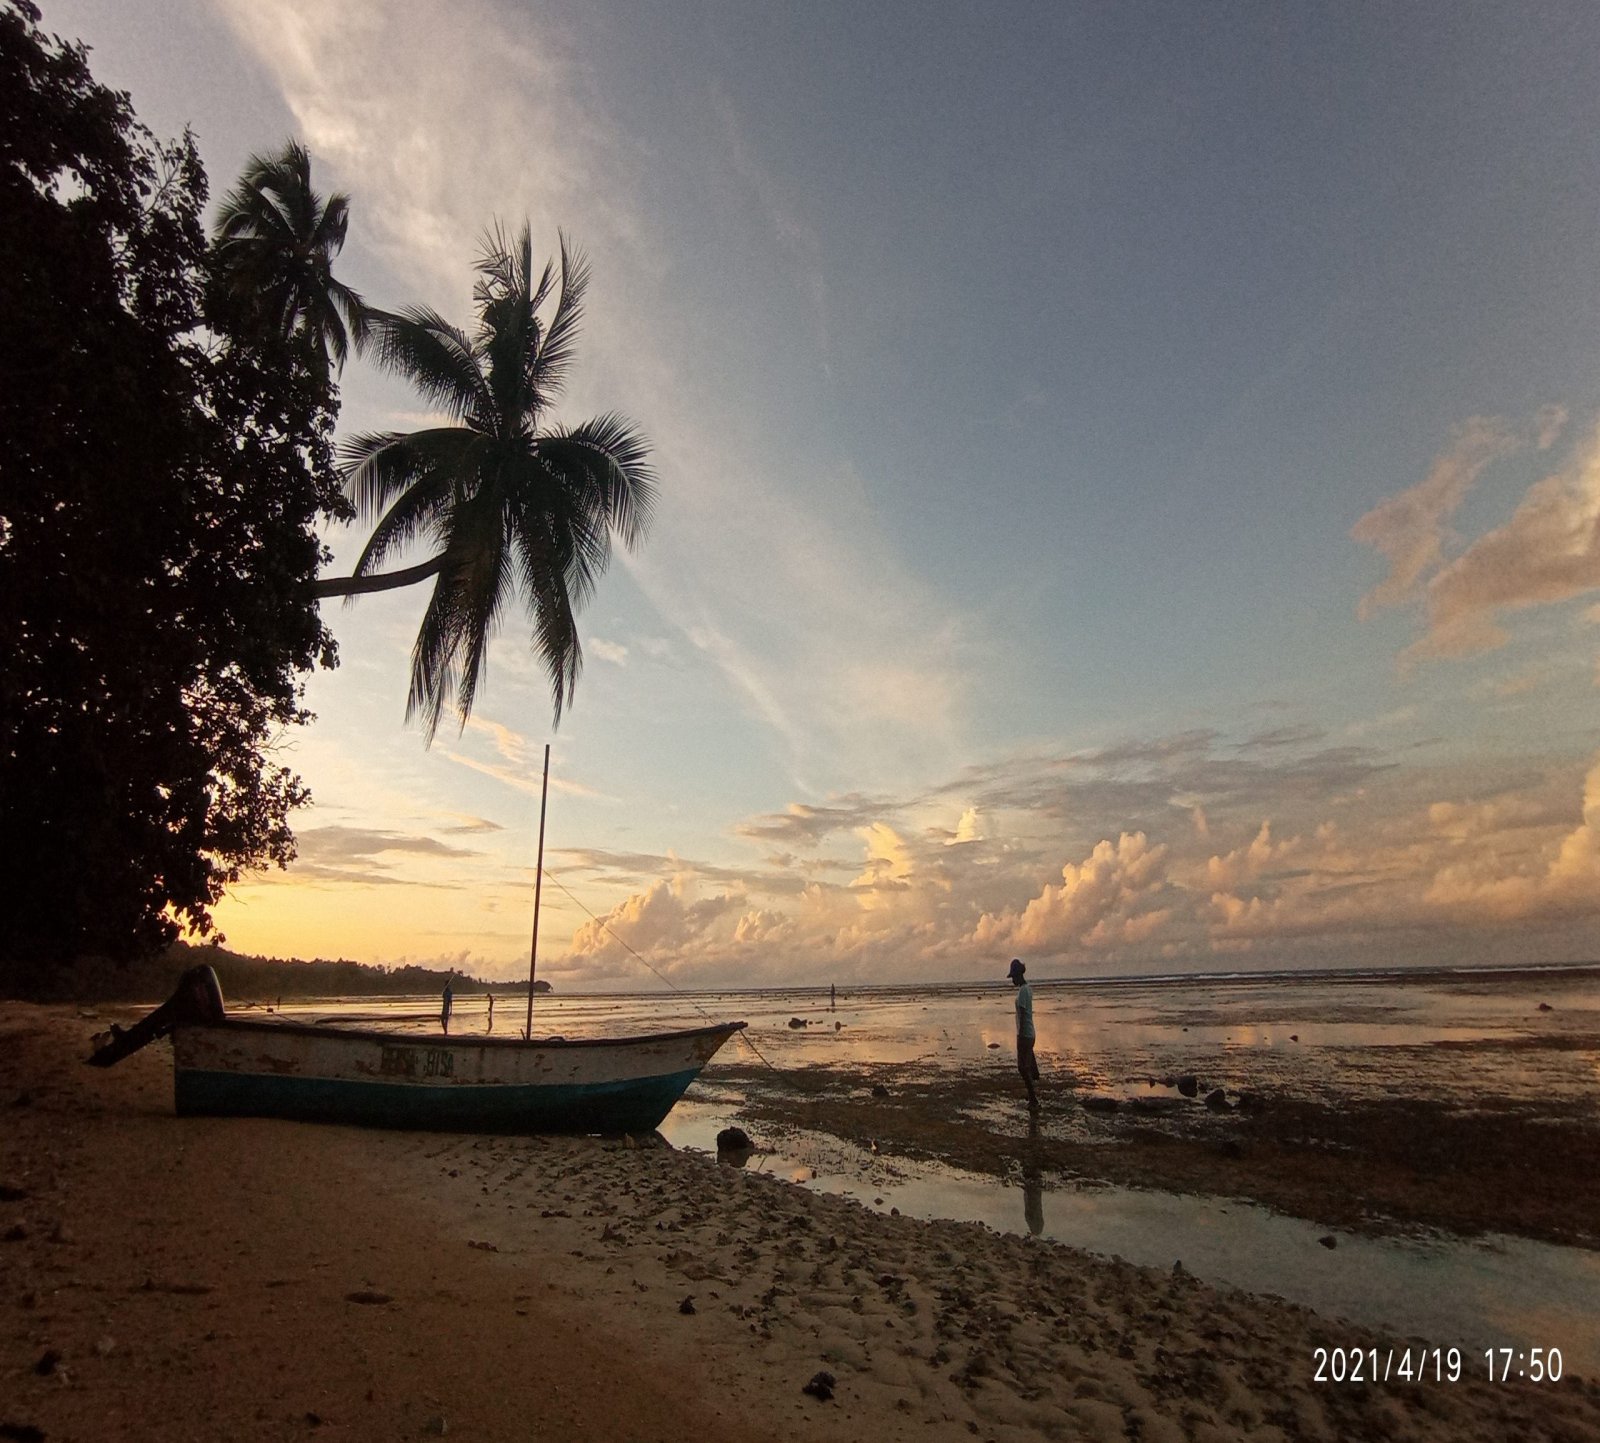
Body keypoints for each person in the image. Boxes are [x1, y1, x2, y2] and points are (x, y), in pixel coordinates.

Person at [1008, 957, 1039, 1108]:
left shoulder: (1022, 992)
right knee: (1027, 1065)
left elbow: (1021, 1015)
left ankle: (1033, 1100)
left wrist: (1019, 1036)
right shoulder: (1028, 989)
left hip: (1025, 1034)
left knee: (1022, 1068)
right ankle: (1034, 1074)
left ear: (1018, 975)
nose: (1012, 980)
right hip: (1030, 1033)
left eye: (1013, 977)